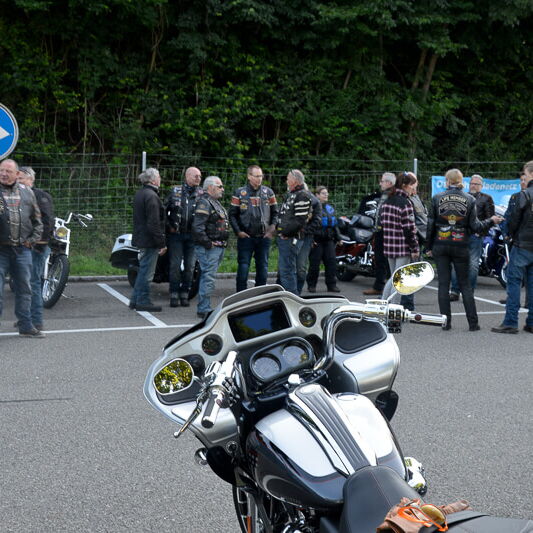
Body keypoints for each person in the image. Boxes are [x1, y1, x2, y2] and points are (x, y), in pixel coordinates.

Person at [426, 168, 502, 331]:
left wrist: (428, 246)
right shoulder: (469, 199)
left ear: (447, 181)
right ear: (461, 181)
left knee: (443, 284)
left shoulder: (437, 198)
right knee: (465, 284)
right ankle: (473, 324)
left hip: (441, 244)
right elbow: (475, 226)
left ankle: (445, 323)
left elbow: (430, 224)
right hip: (461, 245)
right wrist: (491, 221)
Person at [0, 159, 44, 338]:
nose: (3, 174)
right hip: (1, 250)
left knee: (25, 289)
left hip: (22, 249)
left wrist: (32, 241)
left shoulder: (27, 193)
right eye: (1, 170)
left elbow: (37, 221)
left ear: (17, 174)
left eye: (8, 171)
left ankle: (25, 326)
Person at [492, 161, 533, 334]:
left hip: (522, 245)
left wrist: (510, 236)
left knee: (514, 282)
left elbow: (513, 220)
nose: (524, 177)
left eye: (525, 173)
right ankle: (531, 322)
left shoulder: (522, 195)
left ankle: (510, 321)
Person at [17, 167, 55, 331]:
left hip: (36, 246)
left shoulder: (40, 196)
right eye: (17, 179)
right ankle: (25, 318)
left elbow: (47, 222)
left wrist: (40, 243)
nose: (18, 181)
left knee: (33, 282)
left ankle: (36, 320)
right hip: (19, 246)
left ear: (30, 180)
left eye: (21, 179)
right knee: (22, 283)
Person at [229, 165, 278, 292]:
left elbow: (275, 213)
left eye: (261, 176)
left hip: (264, 237)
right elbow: (232, 215)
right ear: (249, 176)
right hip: (246, 237)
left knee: (263, 267)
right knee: (243, 266)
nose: (259, 178)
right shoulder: (239, 193)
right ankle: (240, 295)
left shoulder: (268, 192)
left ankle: (260, 295)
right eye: (256, 176)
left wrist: (272, 229)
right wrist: (238, 232)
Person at [449, 174, 495, 301]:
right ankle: (454, 291)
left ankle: (469, 292)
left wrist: (481, 232)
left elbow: (490, 218)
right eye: (471, 183)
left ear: (481, 186)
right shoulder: (462, 196)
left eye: (476, 184)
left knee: (473, 264)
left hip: (475, 236)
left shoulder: (487, 198)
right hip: (460, 234)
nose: (473, 186)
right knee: (456, 263)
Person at [165, 166, 203, 307]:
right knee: (175, 265)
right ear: (187, 176)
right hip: (176, 235)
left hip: (192, 237)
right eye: (196, 176)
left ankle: (185, 293)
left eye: (200, 176)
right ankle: (174, 292)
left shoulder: (202, 193)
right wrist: (169, 226)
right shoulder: (175, 191)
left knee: (190, 266)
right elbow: (164, 210)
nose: (199, 178)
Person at [129, 168, 166, 312]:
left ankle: (135, 300)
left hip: (142, 237)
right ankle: (143, 301)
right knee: (147, 273)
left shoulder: (141, 193)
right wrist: (161, 243)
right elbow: (153, 223)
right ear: (153, 180)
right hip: (149, 240)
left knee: (143, 270)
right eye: (159, 177)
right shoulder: (152, 196)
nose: (160, 179)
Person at [381, 173, 420, 310]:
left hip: (389, 245)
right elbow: (409, 229)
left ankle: (383, 305)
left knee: (393, 278)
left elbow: (382, 222)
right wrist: (414, 248)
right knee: (399, 280)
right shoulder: (405, 203)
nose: (413, 188)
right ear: (405, 186)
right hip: (402, 246)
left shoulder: (387, 201)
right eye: (412, 185)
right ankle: (393, 308)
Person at [192, 176, 229, 319]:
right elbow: (198, 227)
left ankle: (205, 307)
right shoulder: (204, 203)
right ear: (210, 187)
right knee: (208, 277)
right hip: (210, 248)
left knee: (208, 276)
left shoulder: (214, 202)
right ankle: (204, 308)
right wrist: (208, 243)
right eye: (220, 186)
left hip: (217, 247)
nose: (222, 189)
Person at [276, 169, 314, 295]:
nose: (286, 181)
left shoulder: (302, 195)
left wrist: (285, 233)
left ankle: (292, 298)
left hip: (291, 239)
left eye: (288, 178)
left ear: (295, 180)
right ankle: (281, 297)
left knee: (287, 271)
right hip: (286, 238)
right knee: (284, 270)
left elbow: (300, 220)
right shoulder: (293, 194)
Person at [362, 172, 395, 296]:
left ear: (389, 183)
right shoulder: (385, 194)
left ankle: (386, 287)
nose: (380, 183)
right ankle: (380, 286)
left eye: (382, 181)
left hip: (386, 232)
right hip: (381, 231)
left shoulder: (392, 195)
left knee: (384, 260)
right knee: (380, 259)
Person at [306, 186, 341, 293]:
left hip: (328, 240)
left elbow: (334, 225)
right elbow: (308, 225)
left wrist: (338, 238)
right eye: (323, 193)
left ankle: (331, 285)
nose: (326, 195)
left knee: (331, 263)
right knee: (314, 264)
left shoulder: (330, 209)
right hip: (316, 240)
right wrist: (311, 239)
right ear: (317, 195)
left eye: (327, 193)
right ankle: (311, 285)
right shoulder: (312, 208)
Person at [296, 189, 321, 294]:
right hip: (290, 236)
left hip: (305, 237)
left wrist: (304, 230)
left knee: (301, 266)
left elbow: (317, 221)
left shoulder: (315, 202)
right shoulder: (290, 198)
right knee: (287, 266)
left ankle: (297, 292)